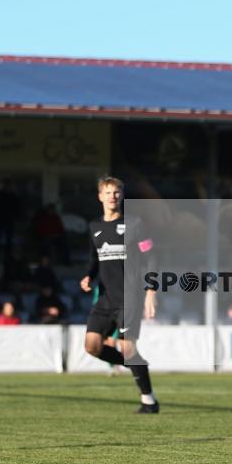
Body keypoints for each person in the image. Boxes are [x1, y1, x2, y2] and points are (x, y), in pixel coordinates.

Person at [80, 176, 159, 414]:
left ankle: (149, 400)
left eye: (116, 192)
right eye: (108, 192)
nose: (112, 197)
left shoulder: (135, 224)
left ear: (122, 195)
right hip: (104, 299)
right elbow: (94, 258)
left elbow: (151, 257)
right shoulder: (94, 227)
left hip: (129, 297)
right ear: (100, 196)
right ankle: (137, 366)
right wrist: (88, 276)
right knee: (92, 346)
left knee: (127, 349)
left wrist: (151, 291)